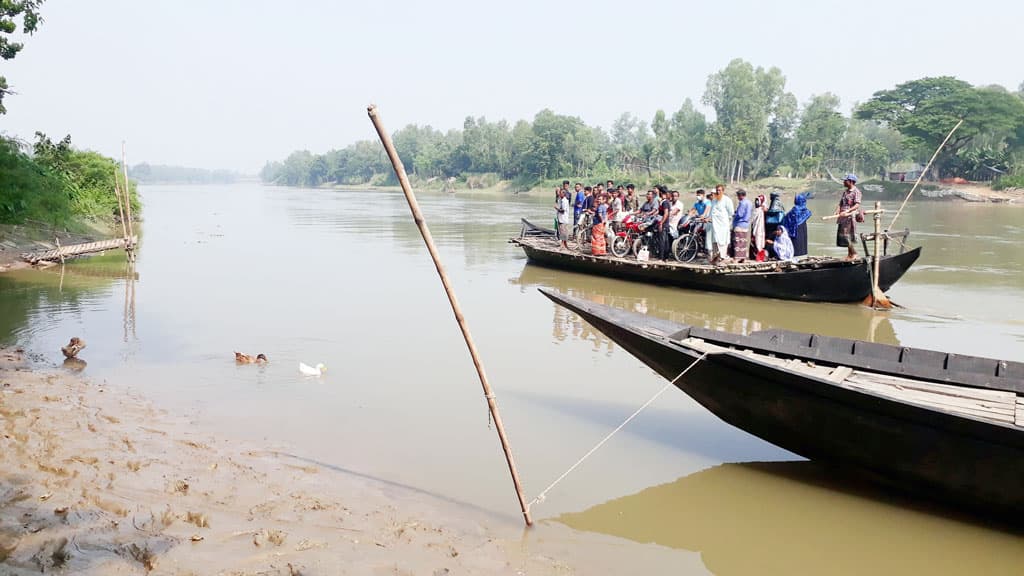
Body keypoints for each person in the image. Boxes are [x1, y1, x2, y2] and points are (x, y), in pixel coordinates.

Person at [835, 174, 862, 259]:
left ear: (851, 182)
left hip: (849, 217)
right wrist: (837, 210)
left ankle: (854, 253)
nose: (843, 182)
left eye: (845, 181)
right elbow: (841, 203)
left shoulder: (856, 192)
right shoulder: (845, 192)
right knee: (842, 235)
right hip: (842, 216)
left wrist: (848, 211)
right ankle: (850, 254)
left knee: (847, 236)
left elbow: (857, 205)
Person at [706, 184, 734, 265]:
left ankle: (723, 257)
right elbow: (712, 212)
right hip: (715, 225)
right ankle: (716, 258)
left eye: (719, 190)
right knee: (715, 240)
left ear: (723, 191)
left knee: (723, 241)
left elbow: (731, 212)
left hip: (723, 225)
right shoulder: (714, 201)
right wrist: (707, 219)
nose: (718, 192)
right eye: (717, 190)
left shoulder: (727, 200)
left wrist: (727, 222)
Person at [782, 193, 812, 257]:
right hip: (802, 228)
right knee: (802, 242)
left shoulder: (792, 211)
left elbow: (786, 220)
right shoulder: (805, 210)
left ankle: (795, 253)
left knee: (795, 243)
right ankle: (803, 254)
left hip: (794, 231)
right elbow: (809, 213)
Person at [731, 189, 752, 262]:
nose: (737, 197)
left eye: (738, 196)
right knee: (743, 241)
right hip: (746, 224)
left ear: (740, 195)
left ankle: (737, 257)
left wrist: (734, 215)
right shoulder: (749, 202)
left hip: (740, 224)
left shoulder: (742, 203)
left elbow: (740, 214)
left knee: (738, 241)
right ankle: (743, 257)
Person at [750, 194, 767, 261]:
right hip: (754, 227)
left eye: (758, 201)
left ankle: (760, 256)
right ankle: (754, 256)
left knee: (759, 240)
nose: (756, 202)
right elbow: (752, 218)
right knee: (754, 240)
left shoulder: (763, 209)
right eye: (756, 201)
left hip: (760, 228)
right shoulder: (755, 209)